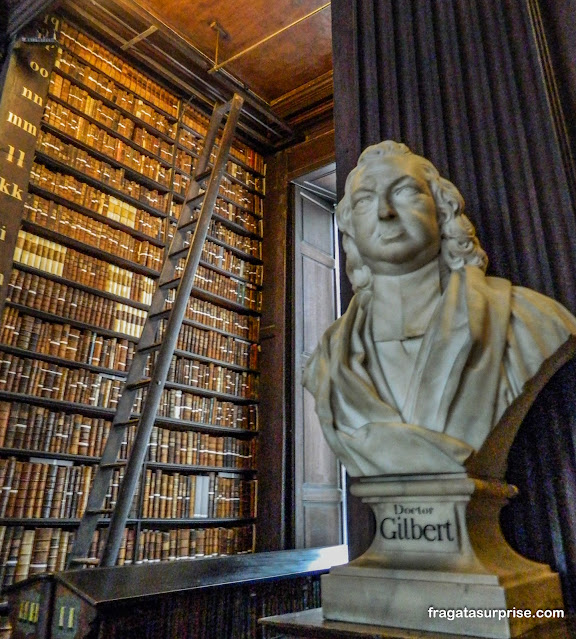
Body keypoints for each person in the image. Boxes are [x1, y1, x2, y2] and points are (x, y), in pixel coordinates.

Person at [303, 141, 576, 478]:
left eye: (405, 192)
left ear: (442, 212)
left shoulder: (529, 321)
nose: (385, 212)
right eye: (364, 200)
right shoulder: (328, 360)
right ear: (350, 229)